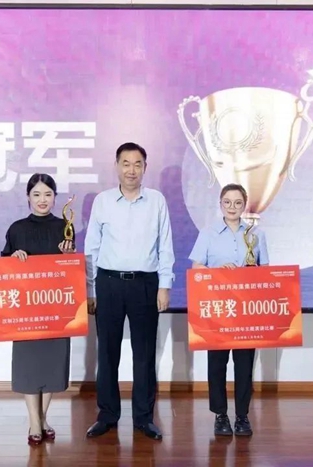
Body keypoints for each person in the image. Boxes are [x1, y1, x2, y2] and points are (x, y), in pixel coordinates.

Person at [84, 142, 175, 441]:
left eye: (137, 164)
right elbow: (91, 247)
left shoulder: (157, 201)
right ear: (116, 166)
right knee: (107, 352)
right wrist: (91, 289)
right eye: (126, 163)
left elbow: (165, 246)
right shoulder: (103, 201)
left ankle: (144, 418)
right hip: (108, 283)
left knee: (144, 354)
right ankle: (107, 415)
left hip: (145, 284)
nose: (131, 170)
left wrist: (164, 285)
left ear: (145, 168)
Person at [0, 173, 76, 446]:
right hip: (26, 312)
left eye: (47, 194)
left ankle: (42, 419)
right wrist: (14, 258)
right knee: (29, 367)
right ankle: (34, 422)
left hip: (56, 309)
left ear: (55, 198)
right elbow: (3, 269)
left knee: (52, 366)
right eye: (36, 194)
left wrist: (68, 256)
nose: (42, 200)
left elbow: (71, 269)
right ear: (28, 198)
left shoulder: (65, 227)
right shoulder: (17, 229)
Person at [188, 183, 269, 437]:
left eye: (237, 203)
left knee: (244, 364)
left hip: (246, 310)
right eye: (227, 202)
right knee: (217, 363)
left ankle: (242, 415)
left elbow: (265, 271)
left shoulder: (256, 235)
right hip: (218, 309)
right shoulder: (208, 233)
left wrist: (248, 273)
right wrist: (218, 271)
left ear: (244, 206)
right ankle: (220, 415)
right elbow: (196, 269)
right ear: (220, 204)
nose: (232, 207)